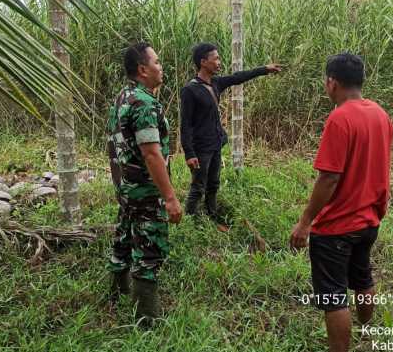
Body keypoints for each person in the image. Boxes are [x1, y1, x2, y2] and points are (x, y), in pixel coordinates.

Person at [289, 53, 393, 352]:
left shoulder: (339, 119)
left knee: (334, 297)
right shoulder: (380, 115)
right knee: (362, 276)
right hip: (369, 219)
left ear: (332, 82)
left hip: (337, 227)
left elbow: (329, 179)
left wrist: (306, 221)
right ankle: (365, 328)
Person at [106, 42, 182, 326]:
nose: (161, 67)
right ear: (142, 69)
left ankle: (116, 294)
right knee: (148, 249)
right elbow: (151, 153)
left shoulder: (123, 97)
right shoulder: (144, 104)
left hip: (126, 188)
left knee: (124, 238)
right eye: (157, 62)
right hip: (146, 191)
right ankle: (147, 320)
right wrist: (171, 197)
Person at [180, 42, 282, 221]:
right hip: (201, 147)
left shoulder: (216, 83)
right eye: (216, 58)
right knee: (198, 186)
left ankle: (212, 215)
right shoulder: (190, 90)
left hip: (215, 143)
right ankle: (189, 220)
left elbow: (239, 77)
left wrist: (264, 69)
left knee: (213, 183)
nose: (219, 62)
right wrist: (189, 153)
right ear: (203, 62)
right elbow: (185, 125)